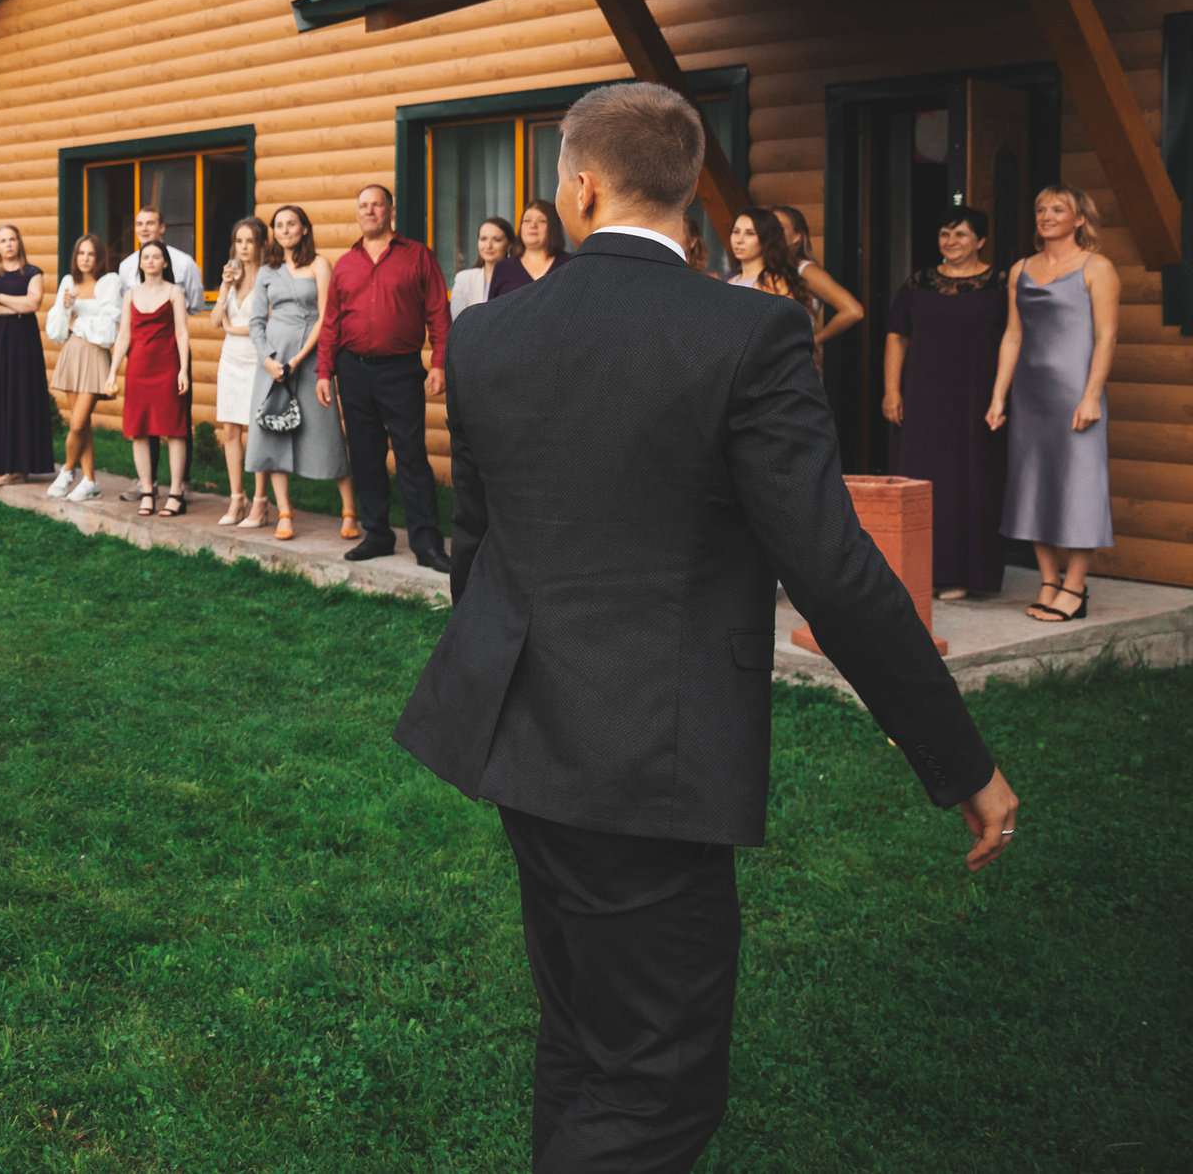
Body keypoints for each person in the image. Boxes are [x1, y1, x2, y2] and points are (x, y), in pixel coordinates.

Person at [396, 81, 1015, 1174]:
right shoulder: (753, 329)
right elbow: (827, 562)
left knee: (584, 1037)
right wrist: (956, 757)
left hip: (521, 738)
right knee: (656, 1086)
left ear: (580, 188)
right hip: (650, 755)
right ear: (685, 193)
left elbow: (475, 550)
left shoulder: (491, 334)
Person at [987, 184, 1118, 623]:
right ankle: (1048, 581)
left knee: (1080, 487)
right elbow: (1013, 335)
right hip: (1031, 395)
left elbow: (1107, 336)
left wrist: (1092, 396)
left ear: (1079, 218)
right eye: (1041, 208)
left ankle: (1076, 588)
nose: (1046, 216)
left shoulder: (1097, 268)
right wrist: (999, 395)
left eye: (1057, 209)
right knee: (1033, 485)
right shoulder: (1020, 269)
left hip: (1077, 394)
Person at [317, 184, 451, 572]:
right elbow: (331, 323)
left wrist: (439, 362)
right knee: (365, 455)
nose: (370, 211)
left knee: (411, 456)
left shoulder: (418, 257)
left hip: (401, 370)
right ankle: (377, 534)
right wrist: (324, 370)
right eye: (363, 205)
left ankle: (426, 544)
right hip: (352, 370)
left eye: (377, 204)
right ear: (357, 213)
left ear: (391, 210)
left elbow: (438, 314)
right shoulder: (345, 263)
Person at [882, 207, 1009, 600]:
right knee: (922, 478)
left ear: (981, 240)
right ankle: (920, 570)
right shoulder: (919, 283)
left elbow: (1014, 339)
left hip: (976, 397)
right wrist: (892, 389)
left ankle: (963, 576)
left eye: (961, 235)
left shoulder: (1000, 284)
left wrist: (1000, 397)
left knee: (972, 480)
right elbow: (896, 337)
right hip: (923, 398)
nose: (951, 242)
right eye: (944, 234)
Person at [248, 205, 352, 542]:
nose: (284, 230)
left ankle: (349, 510)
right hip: (274, 360)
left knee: (326, 430)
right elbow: (257, 322)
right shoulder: (267, 269)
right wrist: (268, 360)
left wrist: (300, 357)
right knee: (274, 432)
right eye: (278, 225)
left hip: (309, 356)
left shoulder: (319, 264)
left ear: (304, 228)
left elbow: (326, 314)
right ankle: (284, 512)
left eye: (291, 224)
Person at [109, 240, 193, 517]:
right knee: (140, 430)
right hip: (138, 370)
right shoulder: (130, 295)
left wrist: (183, 369)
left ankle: (176, 493)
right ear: (140, 262)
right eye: (146, 257)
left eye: (157, 256)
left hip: (168, 366)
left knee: (174, 429)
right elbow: (124, 336)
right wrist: (112, 372)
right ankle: (147, 491)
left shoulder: (174, 292)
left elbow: (182, 332)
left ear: (165, 262)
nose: (151, 261)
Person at [0, 223, 53, 487]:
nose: (8, 244)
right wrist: (15, 307)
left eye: (13, 239)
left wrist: (1, 298)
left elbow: (33, 304)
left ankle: (20, 467)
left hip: (23, 346)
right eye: (3, 240)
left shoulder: (32, 272)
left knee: (21, 399)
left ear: (19, 242)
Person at [43, 233, 120, 503]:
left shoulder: (109, 283)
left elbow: (110, 330)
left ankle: (66, 470)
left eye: (91, 254)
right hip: (72, 353)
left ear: (99, 258)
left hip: (95, 356)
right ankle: (90, 481)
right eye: (81, 254)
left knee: (76, 424)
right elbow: (54, 329)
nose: (85, 259)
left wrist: (78, 324)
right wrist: (65, 313)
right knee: (82, 423)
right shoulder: (68, 282)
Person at [210, 216, 269, 525]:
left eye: (249, 241)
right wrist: (225, 288)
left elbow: (269, 322)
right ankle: (237, 498)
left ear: (261, 244)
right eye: (239, 241)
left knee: (257, 430)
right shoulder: (231, 275)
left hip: (257, 359)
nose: (243, 247)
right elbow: (214, 321)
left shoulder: (271, 276)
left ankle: (261, 500)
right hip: (230, 359)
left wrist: (234, 329)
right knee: (230, 430)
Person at [771, 204, 868, 353]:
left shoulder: (805, 270)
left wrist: (815, 341)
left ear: (797, 236)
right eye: (769, 227)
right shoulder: (760, 270)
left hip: (790, 361)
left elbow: (853, 310)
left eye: (780, 228)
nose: (772, 233)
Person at [726, 208, 811, 313]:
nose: (739, 240)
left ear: (767, 238)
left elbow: (787, 325)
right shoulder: (731, 281)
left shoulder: (775, 283)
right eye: (736, 231)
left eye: (750, 233)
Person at [131, 206, 207, 314]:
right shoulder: (125, 266)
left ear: (162, 228)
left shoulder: (184, 262)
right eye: (139, 224)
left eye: (150, 223)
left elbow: (196, 306)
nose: (144, 229)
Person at [487, 199, 569, 297]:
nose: (533, 225)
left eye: (541, 221)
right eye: (527, 220)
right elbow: (492, 310)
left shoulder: (569, 263)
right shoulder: (503, 267)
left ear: (553, 227)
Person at [450, 216, 512, 318]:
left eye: (497, 240)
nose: (488, 246)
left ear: (509, 245)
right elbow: (459, 323)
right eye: (483, 239)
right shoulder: (464, 279)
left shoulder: (518, 278)